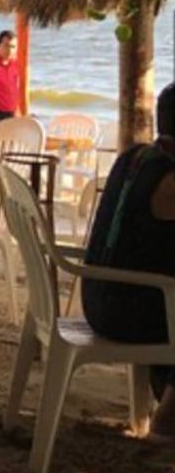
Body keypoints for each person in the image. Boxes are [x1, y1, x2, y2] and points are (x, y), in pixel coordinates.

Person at [81, 82, 175, 439]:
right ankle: (167, 422)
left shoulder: (135, 157)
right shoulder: (168, 180)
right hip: (126, 312)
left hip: (98, 296)